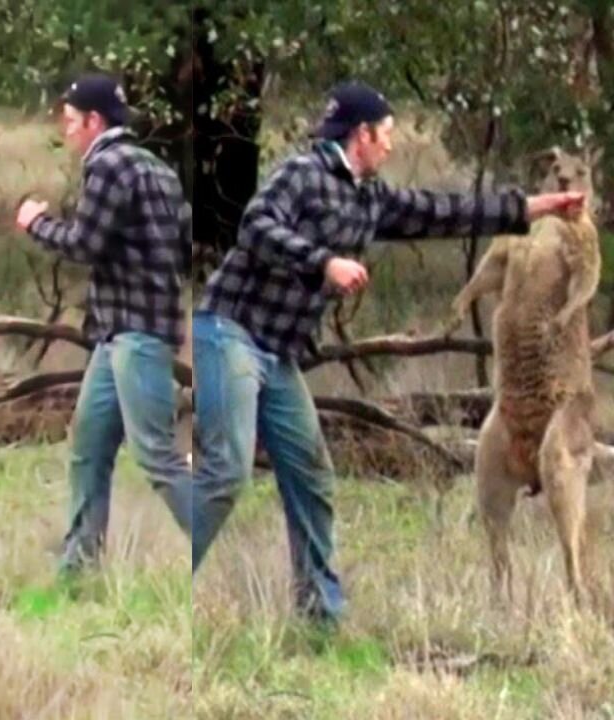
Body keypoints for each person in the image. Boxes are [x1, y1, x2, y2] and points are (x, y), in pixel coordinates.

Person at [190, 80, 587, 624]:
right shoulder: (300, 175)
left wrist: (540, 206)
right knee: (229, 469)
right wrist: (323, 261)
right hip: (229, 331)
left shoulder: (371, 197)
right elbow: (255, 227)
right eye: (387, 135)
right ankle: (163, 582)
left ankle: (320, 618)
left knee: (311, 476)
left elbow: (446, 212)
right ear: (361, 135)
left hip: (278, 352)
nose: (392, 145)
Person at [14, 73, 192, 575]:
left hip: (136, 336)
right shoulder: (158, 168)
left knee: (156, 453)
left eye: (71, 122)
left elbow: (85, 245)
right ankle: (79, 564)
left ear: (94, 121)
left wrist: (35, 224)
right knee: (89, 447)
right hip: (119, 336)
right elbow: (179, 250)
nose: (66, 132)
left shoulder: (108, 166)